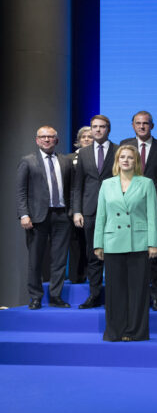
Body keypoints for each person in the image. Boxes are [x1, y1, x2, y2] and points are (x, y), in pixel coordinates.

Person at [93, 145, 157, 341]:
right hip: (113, 241)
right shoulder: (107, 184)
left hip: (138, 242)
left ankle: (135, 332)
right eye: (122, 157)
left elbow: (151, 217)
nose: (126, 160)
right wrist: (98, 243)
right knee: (115, 290)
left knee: (138, 290)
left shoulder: (146, 183)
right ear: (117, 161)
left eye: (130, 157)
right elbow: (101, 216)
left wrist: (153, 243)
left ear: (136, 161)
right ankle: (115, 330)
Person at [16, 126, 73, 309]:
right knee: (35, 259)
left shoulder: (64, 161)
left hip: (62, 216)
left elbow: (72, 188)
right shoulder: (28, 161)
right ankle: (35, 297)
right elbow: (21, 191)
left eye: (51, 137)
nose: (47, 140)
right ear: (37, 140)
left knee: (59, 259)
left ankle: (56, 296)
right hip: (37, 217)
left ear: (56, 140)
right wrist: (24, 214)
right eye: (43, 137)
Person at [120, 111, 157, 311]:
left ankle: (156, 296)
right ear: (132, 125)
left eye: (146, 123)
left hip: (155, 208)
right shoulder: (124, 145)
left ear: (152, 125)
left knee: (154, 255)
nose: (142, 127)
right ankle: (135, 298)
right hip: (128, 208)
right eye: (138, 123)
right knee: (131, 254)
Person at [72, 115, 116, 308]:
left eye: (102, 127)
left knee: (115, 254)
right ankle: (95, 294)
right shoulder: (83, 153)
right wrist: (77, 211)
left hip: (115, 210)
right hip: (89, 210)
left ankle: (116, 297)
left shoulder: (119, 150)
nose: (98, 130)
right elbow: (78, 185)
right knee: (93, 254)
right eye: (94, 127)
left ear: (108, 129)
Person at [68, 126, 94, 284]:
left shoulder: (100, 159)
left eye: (89, 136)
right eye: (83, 136)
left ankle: (92, 275)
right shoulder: (68, 159)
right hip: (73, 207)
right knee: (76, 243)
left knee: (92, 243)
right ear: (78, 141)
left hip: (92, 205)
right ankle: (76, 276)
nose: (86, 139)